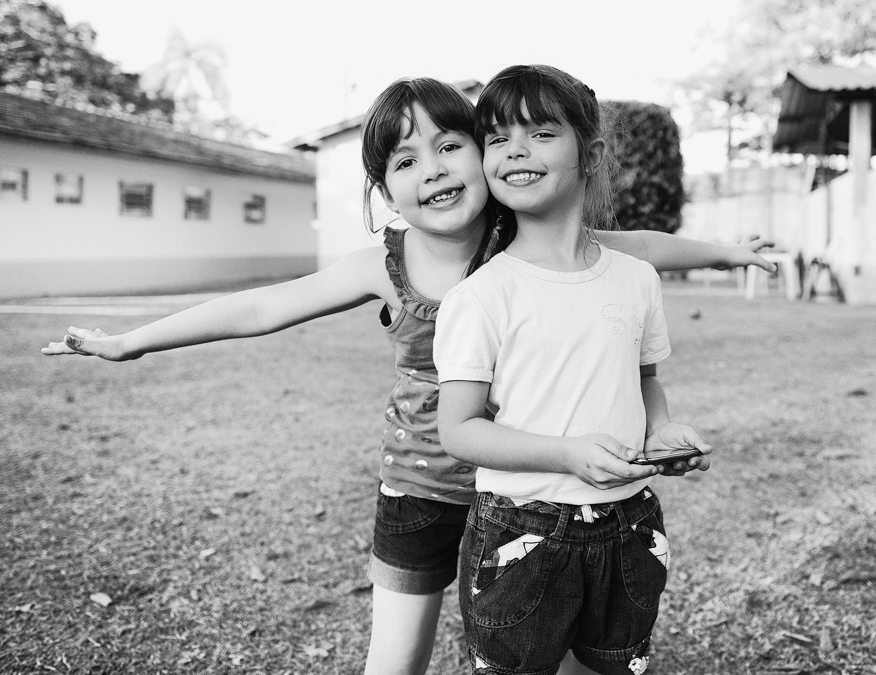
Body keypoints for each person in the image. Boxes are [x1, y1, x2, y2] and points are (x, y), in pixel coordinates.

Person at [43, 77, 772, 675]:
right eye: (405, 160)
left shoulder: (527, 242)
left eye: (450, 145)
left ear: (482, 160)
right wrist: (132, 342)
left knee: (531, 647)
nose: (432, 169)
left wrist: (728, 252)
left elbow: (638, 247)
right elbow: (263, 305)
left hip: (528, 493)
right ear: (386, 192)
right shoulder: (383, 264)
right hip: (422, 489)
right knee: (395, 660)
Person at [435, 65, 701, 675]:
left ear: (591, 152)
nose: (516, 150)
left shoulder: (636, 278)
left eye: (541, 133)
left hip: (630, 523)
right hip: (520, 530)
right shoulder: (482, 297)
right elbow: (459, 429)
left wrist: (660, 433)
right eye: (497, 138)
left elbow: (644, 381)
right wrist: (566, 454)